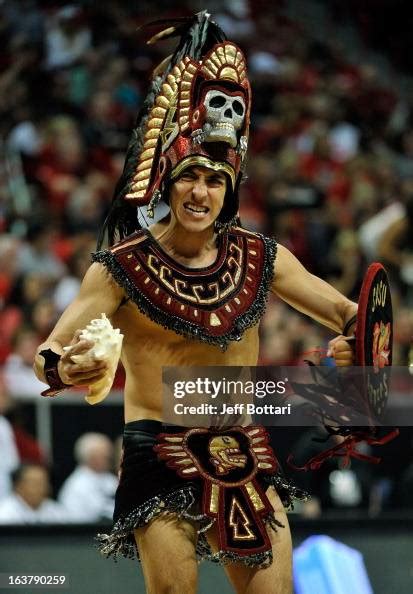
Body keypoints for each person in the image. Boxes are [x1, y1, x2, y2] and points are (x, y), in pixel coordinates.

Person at [34, 13, 356, 594]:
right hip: (157, 447)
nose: (200, 192)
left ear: (230, 189)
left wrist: (359, 344)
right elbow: (48, 354)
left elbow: (353, 315)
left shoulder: (261, 256)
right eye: (188, 178)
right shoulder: (119, 267)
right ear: (166, 182)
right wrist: (64, 366)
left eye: (214, 181)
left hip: (244, 447)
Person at [58, 432, 118, 522]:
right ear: (91, 457)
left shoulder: (111, 480)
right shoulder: (76, 486)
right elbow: (74, 522)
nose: (109, 458)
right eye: (104, 455)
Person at [0, 463, 67, 524]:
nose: (42, 488)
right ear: (18, 487)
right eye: (36, 483)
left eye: (44, 483)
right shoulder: (5, 513)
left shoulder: (55, 509)